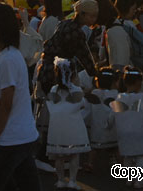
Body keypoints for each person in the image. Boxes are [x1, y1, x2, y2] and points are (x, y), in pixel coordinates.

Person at [0, 2, 41, 191]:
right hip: (22, 135)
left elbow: (6, 105)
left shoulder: (8, 59)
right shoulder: (7, 55)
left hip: (11, 139)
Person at [36, 0, 99, 96]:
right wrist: (97, 75)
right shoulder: (76, 32)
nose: (94, 19)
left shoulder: (64, 23)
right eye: (91, 16)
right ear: (82, 14)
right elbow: (84, 57)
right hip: (57, 74)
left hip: (46, 70)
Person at [45, 57, 90, 190]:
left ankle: (60, 180)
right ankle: (72, 180)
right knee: (74, 154)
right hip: (73, 124)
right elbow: (83, 104)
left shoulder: (54, 90)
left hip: (57, 124)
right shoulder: (76, 90)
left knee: (59, 155)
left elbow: (50, 103)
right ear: (73, 74)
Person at [111, 67, 143, 190]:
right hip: (140, 131)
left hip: (124, 132)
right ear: (138, 83)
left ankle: (129, 179)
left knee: (128, 155)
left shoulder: (119, 97)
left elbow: (113, 114)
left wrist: (108, 125)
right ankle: (139, 181)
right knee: (140, 156)